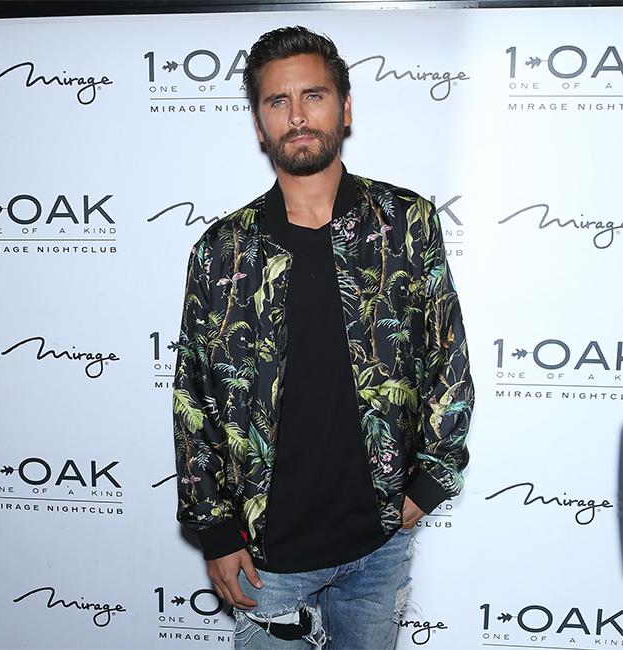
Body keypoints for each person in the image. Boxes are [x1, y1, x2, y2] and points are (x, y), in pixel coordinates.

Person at [172, 25, 474, 650]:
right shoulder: (222, 250)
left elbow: (448, 355)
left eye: (313, 95)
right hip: (269, 559)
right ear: (259, 124)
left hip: (379, 546)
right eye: (277, 101)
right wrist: (215, 528)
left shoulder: (406, 222)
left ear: (345, 107)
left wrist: (431, 480)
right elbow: (193, 397)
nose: (297, 116)